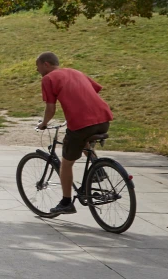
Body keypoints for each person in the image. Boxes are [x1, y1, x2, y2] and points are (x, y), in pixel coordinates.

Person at [34, 52, 113, 217]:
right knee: (84, 142)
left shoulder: (48, 79)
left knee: (66, 163)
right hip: (103, 120)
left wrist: (44, 124)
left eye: (38, 66)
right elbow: (91, 92)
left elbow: (50, 108)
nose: (37, 70)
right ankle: (97, 170)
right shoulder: (76, 72)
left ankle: (66, 202)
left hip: (82, 124)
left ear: (46, 64)